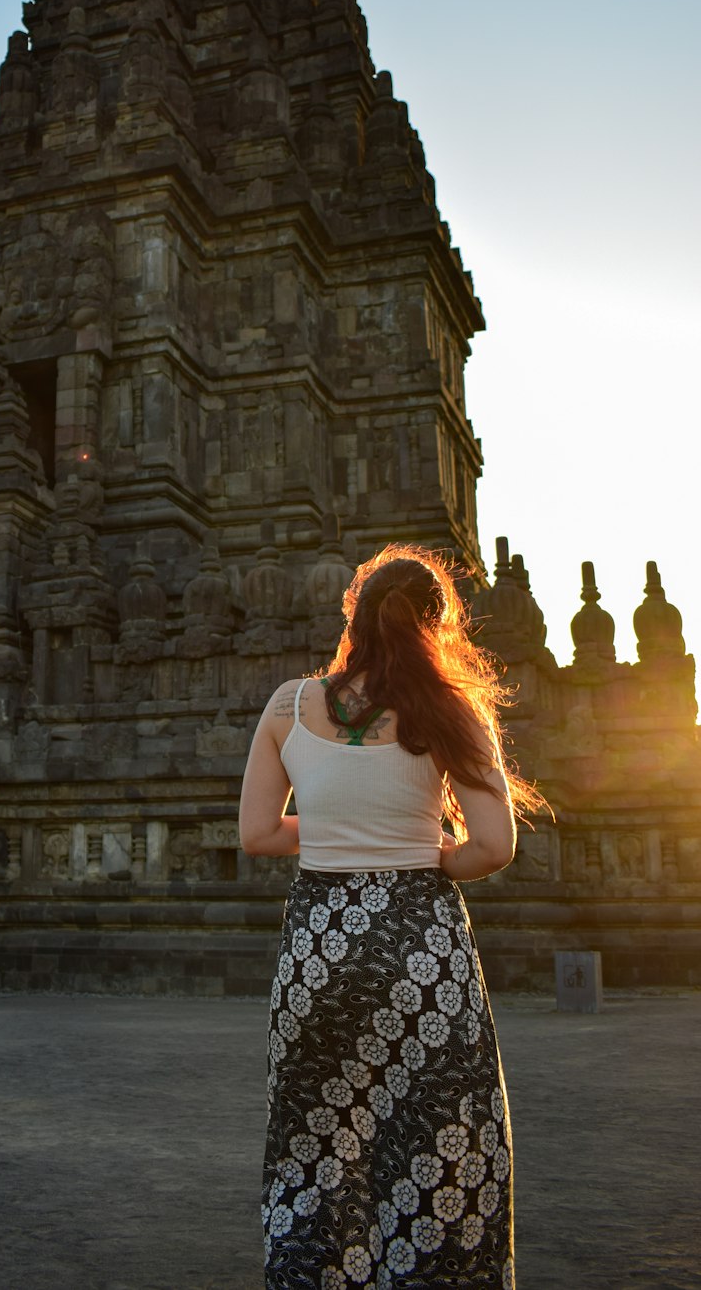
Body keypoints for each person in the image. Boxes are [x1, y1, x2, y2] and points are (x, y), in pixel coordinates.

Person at [239, 544, 547, 1290]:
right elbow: (494, 845)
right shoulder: (449, 707)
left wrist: (336, 830)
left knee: (320, 1142)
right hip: (421, 949)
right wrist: (429, 852)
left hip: (320, 952)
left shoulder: (288, 705)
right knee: (441, 1140)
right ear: (437, 627)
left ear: (356, 615)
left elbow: (258, 835)